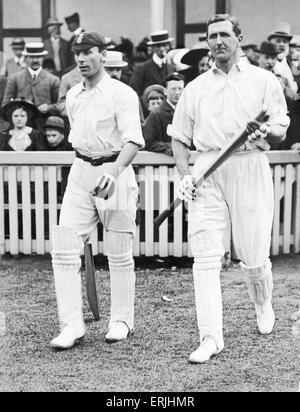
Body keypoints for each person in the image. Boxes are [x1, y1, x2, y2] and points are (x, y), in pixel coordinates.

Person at [168, 14, 289, 364]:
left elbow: (281, 125)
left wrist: (264, 132)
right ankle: (210, 337)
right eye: (212, 36)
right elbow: (179, 138)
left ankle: (262, 303)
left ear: (238, 38)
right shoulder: (196, 87)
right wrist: (185, 174)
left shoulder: (263, 80)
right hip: (207, 170)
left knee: (253, 252)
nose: (218, 41)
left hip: (250, 165)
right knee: (205, 257)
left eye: (224, 34)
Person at [50, 32, 144, 350]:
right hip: (80, 172)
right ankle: (71, 325)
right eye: (76, 52)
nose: (80, 58)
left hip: (113, 171)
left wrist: (114, 171)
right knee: (63, 247)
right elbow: (80, 137)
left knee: (118, 252)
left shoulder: (123, 93)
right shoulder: (74, 94)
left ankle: (121, 320)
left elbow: (132, 141)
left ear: (103, 55)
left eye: (87, 52)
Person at [2, 43, 60, 121]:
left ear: (43, 58)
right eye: (32, 57)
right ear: (26, 58)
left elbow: (60, 104)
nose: (35, 60)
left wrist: (49, 107)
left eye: (38, 57)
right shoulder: (15, 78)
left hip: (44, 125)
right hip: (21, 126)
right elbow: (5, 104)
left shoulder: (53, 80)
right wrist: (17, 105)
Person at [144, 73, 184, 155]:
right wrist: (173, 147)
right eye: (173, 89)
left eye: (180, 89)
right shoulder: (156, 114)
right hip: (164, 163)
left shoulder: (188, 112)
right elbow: (149, 144)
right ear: (165, 91)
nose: (177, 92)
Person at [129, 30, 175, 97]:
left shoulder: (171, 68)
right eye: (158, 46)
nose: (162, 49)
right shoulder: (142, 68)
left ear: (169, 46)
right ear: (153, 48)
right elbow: (133, 92)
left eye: (164, 45)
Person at [268, 22, 298, 93]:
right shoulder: (266, 64)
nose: (281, 44)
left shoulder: (290, 63)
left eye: (285, 42)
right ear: (271, 43)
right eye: (278, 41)